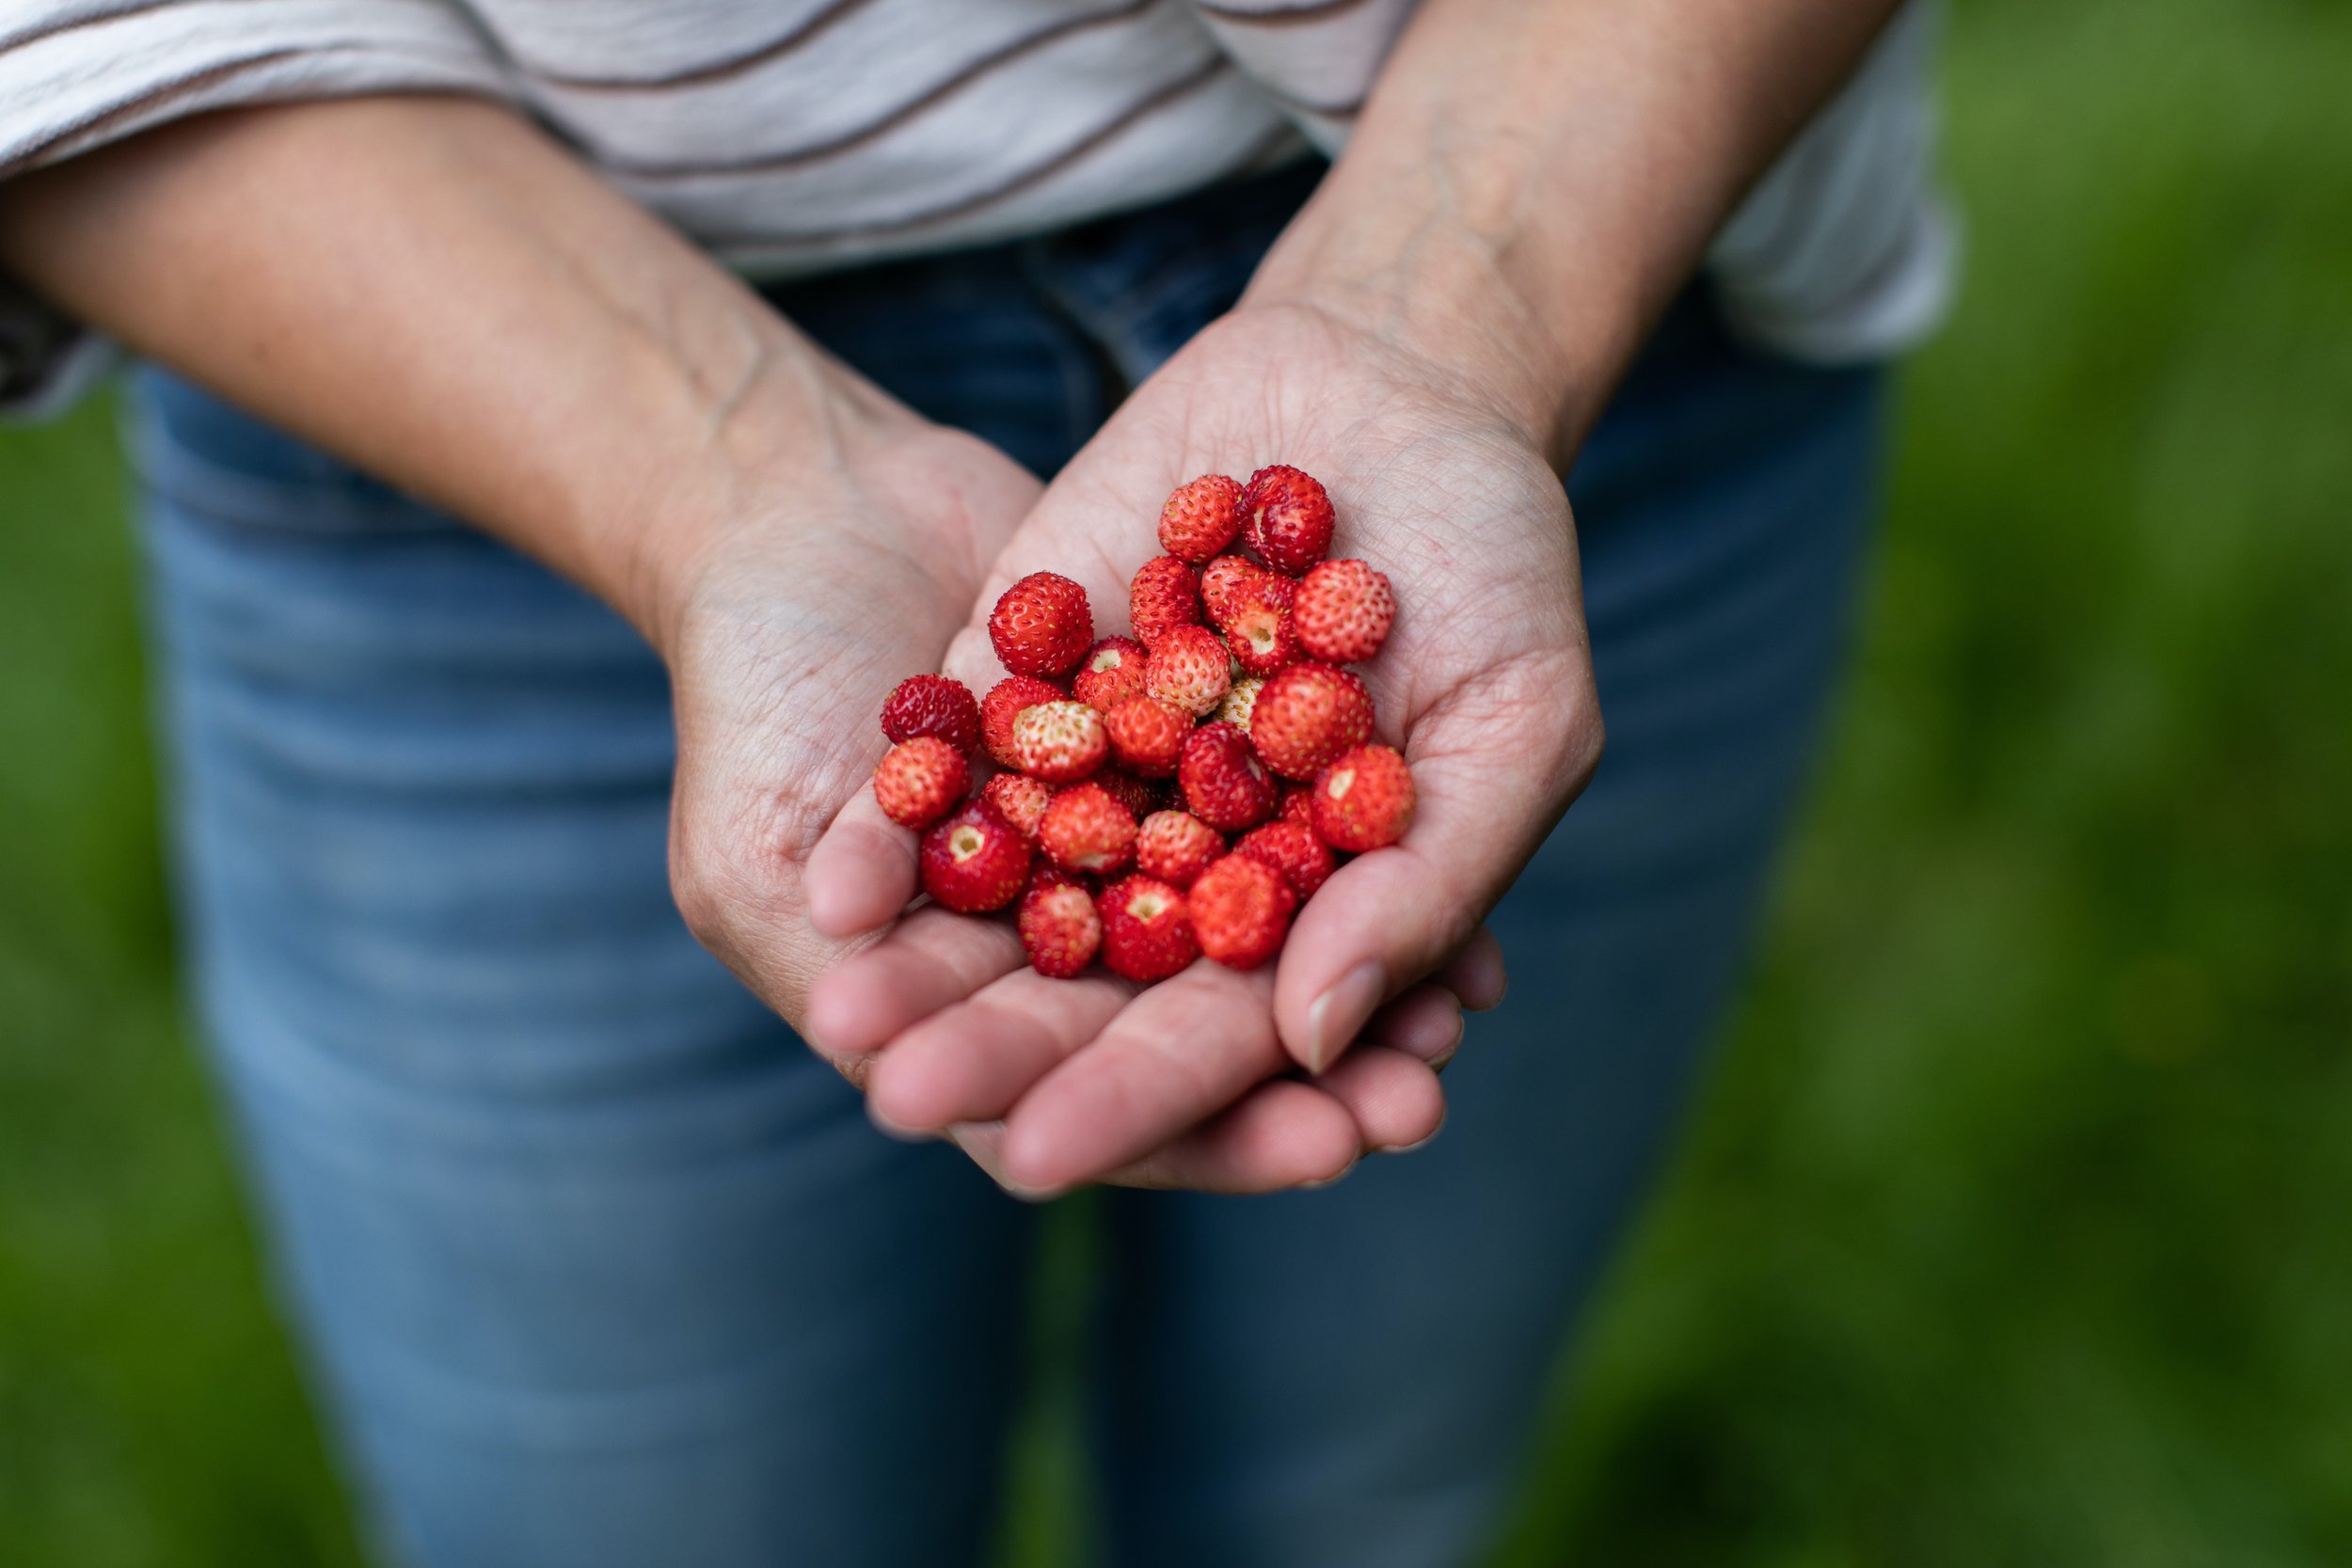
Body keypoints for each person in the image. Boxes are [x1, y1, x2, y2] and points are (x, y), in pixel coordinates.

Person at [0, 1, 1951, 1562]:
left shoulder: (1243, 671)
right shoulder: (1164, 704)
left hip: (1620, 197)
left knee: (1367, 1487)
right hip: (448, 361)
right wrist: (719, 480)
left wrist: (1462, 298)